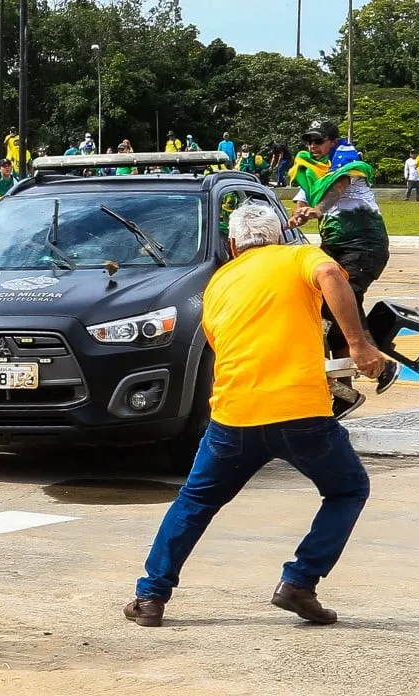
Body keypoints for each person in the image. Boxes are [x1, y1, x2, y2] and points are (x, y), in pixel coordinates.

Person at [123, 205, 382, 629]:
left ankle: (150, 597)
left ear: (232, 245)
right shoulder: (299, 257)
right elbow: (333, 276)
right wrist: (358, 344)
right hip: (300, 413)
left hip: (234, 415)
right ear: (280, 235)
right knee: (347, 489)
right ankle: (300, 581)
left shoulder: (218, 283)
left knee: (196, 501)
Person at [287, 119, 395, 412]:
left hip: (364, 245)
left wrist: (318, 210)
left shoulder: (348, 162)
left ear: (333, 141)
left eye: (318, 141)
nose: (313, 146)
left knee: (341, 299)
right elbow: (303, 198)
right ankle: (345, 394)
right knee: (329, 311)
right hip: (334, 246)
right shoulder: (309, 167)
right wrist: (299, 214)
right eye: (309, 141)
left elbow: (337, 188)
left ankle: (380, 365)